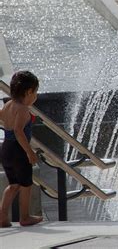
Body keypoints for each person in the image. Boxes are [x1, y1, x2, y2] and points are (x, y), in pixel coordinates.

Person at [0, 71, 42, 228]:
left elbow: (2, 117)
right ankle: (25, 217)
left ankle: (2, 217)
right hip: (18, 151)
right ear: (29, 92)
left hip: (6, 149)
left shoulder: (8, 104)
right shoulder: (23, 109)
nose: (36, 96)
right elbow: (18, 131)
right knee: (26, 184)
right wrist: (29, 152)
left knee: (13, 185)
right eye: (35, 92)